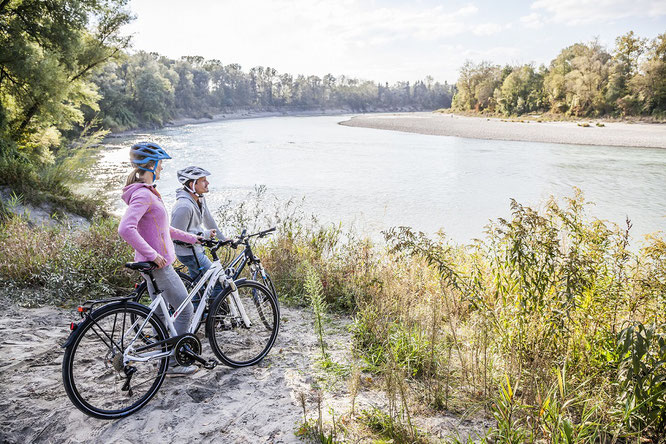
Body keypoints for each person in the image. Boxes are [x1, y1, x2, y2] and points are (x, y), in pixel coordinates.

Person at [118, 142, 200, 376]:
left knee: (162, 315)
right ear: (151, 166)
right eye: (161, 165)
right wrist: (153, 255)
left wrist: (194, 239)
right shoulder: (144, 194)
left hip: (153, 265)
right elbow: (126, 229)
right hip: (158, 266)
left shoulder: (147, 193)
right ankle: (174, 363)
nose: (162, 169)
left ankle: (164, 359)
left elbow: (165, 229)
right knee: (185, 310)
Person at [170, 166, 226, 286]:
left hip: (196, 249)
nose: (208, 182)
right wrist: (205, 234)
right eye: (203, 180)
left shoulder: (199, 199)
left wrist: (223, 239)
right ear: (192, 185)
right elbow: (176, 236)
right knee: (218, 281)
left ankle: (196, 304)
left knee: (199, 285)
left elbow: (208, 219)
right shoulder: (184, 207)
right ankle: (215, 305)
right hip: (188, 253)